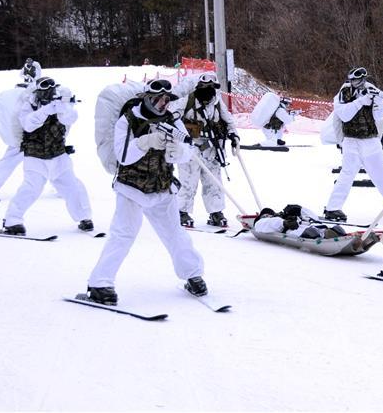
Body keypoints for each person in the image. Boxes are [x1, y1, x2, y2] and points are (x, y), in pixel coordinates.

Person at [86, 79, 209, 305]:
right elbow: (123, 157)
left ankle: (193, 275)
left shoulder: (172, 119)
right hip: (131, 188)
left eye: (166, 100)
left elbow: (188, 150)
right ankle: (100, 284)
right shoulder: (128, 120)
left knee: (175, 234)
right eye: (158, 99)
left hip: (161, 188)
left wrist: (177, 151)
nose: (163, 104)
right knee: (123, 235)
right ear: (146, 98)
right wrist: (146, 141)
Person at [0, 76, 94, 235]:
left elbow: (71, 117)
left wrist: (62, 108)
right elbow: (28, 125)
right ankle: (12, 221)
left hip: (59, 156)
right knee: (31, 189)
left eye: (51, 87)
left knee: (72, 187)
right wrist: (45, 110)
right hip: (35, 157)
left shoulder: (59, 100)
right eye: (44, 87)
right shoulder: (28, 104)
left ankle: (84, 218)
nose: (49, 91)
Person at [323, 67, 383, 223]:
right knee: (346, 176)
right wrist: (361, 101)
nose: (358, 83)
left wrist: (377, 105)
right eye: (354, 80)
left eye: (360, 80)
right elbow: (344, 115)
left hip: (371, 141)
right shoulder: (343, 93)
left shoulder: (371, 90)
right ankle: (333, 208)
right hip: (351, 141)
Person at [175, 72, 240, 228]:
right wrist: (184, 134)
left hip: (212, 149)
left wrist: (234, 136)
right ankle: (182, 212)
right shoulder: (188, 101)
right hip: (190, 149)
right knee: (188, 182)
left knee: (214, 182)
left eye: (211, 87)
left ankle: (216, 212)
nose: (208, 90)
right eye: (204, 87)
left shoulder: (217, 102)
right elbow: (173, 118)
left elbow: (229, 121)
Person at [0, 59, 42, 200]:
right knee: (56, 160)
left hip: (16, 137)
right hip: (32, 137)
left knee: (8, 161)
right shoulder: (31, 95)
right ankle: (64, 189)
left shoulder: (8, 95)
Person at [252, 204, 346, 239]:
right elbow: (268, 224)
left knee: (337, 229)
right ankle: (326, 235)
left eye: (269, 214)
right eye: (265, 215)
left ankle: (331, 234)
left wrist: (299, 209)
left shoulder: (282, 216)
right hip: (294, 232)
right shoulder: (261, 223)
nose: (267, 216)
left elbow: (313, 218)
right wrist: (284, 223)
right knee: (312, 232)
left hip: (308, 226)